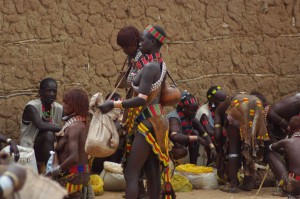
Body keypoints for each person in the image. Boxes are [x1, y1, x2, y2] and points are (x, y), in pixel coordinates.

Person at [99, 25, 175, 199]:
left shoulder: (149, 67)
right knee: (153, 172)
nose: (140, 43)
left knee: (131, 173)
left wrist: (114, 104)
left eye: (144, 39)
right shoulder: (159, 64)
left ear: (153, 42)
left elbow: (141, 100)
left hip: (148, 121)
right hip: (157, 120)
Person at [214, 92, 268, 193]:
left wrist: (219, 147)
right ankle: (247, 182)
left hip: (239, 104)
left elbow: (217, 136)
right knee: (249, 145)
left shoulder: (218, 109)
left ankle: (233, 185)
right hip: (257, 104)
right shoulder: (231, 100)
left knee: (233, 148)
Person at [46, 89, 91, 199]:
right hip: (81, 174)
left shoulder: (73, 127)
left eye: (66, 103)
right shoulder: (84, 124)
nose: (63, 105)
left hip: (71, 177)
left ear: (75, 106)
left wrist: (55, 172)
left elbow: (74, 157)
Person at [20, 78, 63, 173]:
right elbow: (41, 125)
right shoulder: (31, 107)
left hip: (49, 149)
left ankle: (71, 172)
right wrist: (64, 129)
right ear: (41, 91)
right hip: (30, 150)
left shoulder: (58, 108)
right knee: (49, 134)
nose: (52, 94)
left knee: (70, 137)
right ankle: (50, 172)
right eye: (48, 90)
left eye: (54, 91)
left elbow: (73, 119)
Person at [167, 91, 217, 164]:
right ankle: (174, 164)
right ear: (184, 108)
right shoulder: (174, 118)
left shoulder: (190, 117)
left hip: (182, 144)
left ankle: (193, 165)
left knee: (195, 132)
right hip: (170, 146)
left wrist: (212, 147)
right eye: (192, 110)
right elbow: (175, 136)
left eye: (195, 110)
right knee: (182, 150)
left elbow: (204, 133)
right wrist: (197, 138)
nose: (195, 113)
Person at [268, 115, 300, 197]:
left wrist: (284, 149)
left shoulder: (286, 142)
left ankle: (286, 189)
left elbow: (271, 147)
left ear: (290, 128)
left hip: (296, 184)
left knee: (271, 155)